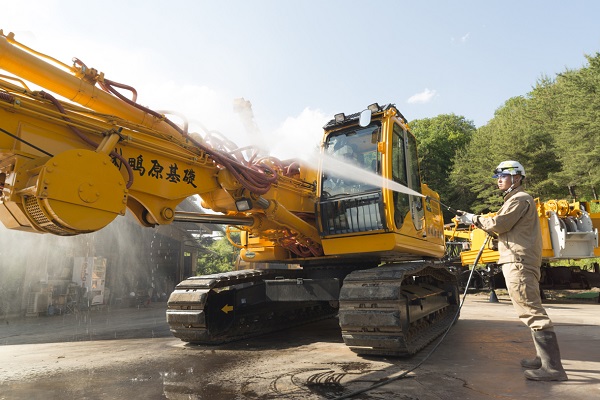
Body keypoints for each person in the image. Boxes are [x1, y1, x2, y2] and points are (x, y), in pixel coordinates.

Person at [457, 160, 568, 381]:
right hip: (518, 260)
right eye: (497, 176)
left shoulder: (520, 199)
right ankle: (542, 359)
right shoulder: (515, 200)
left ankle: (553, 368)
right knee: (529, 308)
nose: (498, 180)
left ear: (517, 178)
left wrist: (472, 218)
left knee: (531, 311)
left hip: (518, 262)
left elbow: (499, 224)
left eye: (503, 176)